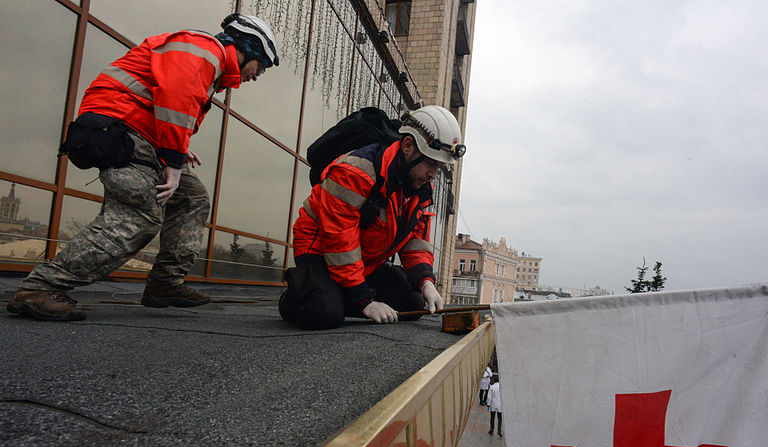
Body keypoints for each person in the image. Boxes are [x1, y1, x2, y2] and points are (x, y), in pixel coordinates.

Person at [7, 14, 279, 321]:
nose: (257, 76)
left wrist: (177, 148)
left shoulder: (207, 60)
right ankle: (39, 288)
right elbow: (177, 98)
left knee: (192, 197)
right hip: (119, 132)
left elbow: (163, 101)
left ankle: (165, 283)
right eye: (262, 67)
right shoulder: (205, 49)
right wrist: (173, 162)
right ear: (250, 49)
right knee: (140, 215)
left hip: (134, 134)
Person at [279, 105, 466, 330]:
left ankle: (340, 294)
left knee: (412, 304)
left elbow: (414, 243)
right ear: (408, 146)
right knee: (325, 313)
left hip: (365, 259)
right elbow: (338, 240)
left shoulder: (419, 187)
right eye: (431, 163)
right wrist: (364, 300)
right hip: (320, 249)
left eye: (440, 167)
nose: (433, 174)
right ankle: (299, 295)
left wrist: (426, 282)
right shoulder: (357, 170)